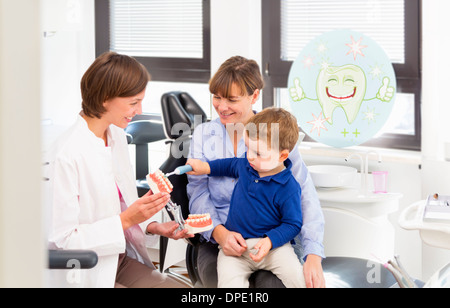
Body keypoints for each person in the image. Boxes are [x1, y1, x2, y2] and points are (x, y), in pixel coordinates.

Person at [46, 52, 193, 288]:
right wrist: (126, 220)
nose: (139, 109)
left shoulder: (115, 135)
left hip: (119, 259)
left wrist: (152, 225)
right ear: (105, 98)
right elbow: (62, 243)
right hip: (85, 271)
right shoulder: (65, 154)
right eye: (134, 102)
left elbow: (122, 204)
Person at [187, 56, 326, 288]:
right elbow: (198, 193)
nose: (221, 106)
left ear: (254, 95)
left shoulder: (275, 134)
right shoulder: (203, 135)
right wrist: (221, 234)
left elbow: (304, 195)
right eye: (217, 97)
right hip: (220, 239)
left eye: (232, 99)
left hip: (271, 242)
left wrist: (313, 254)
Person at [187, 108, 306, 288]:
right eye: (248, 148)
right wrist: (204, 167)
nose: (249, 156)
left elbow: (293, 224)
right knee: (227, 285)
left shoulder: (288, 187)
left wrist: (270, 241)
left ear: (282, 155)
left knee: (297, 278)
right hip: (236, 250)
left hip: (274, 249)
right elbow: (227, 165)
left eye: (258, 153)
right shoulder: (246, 164)